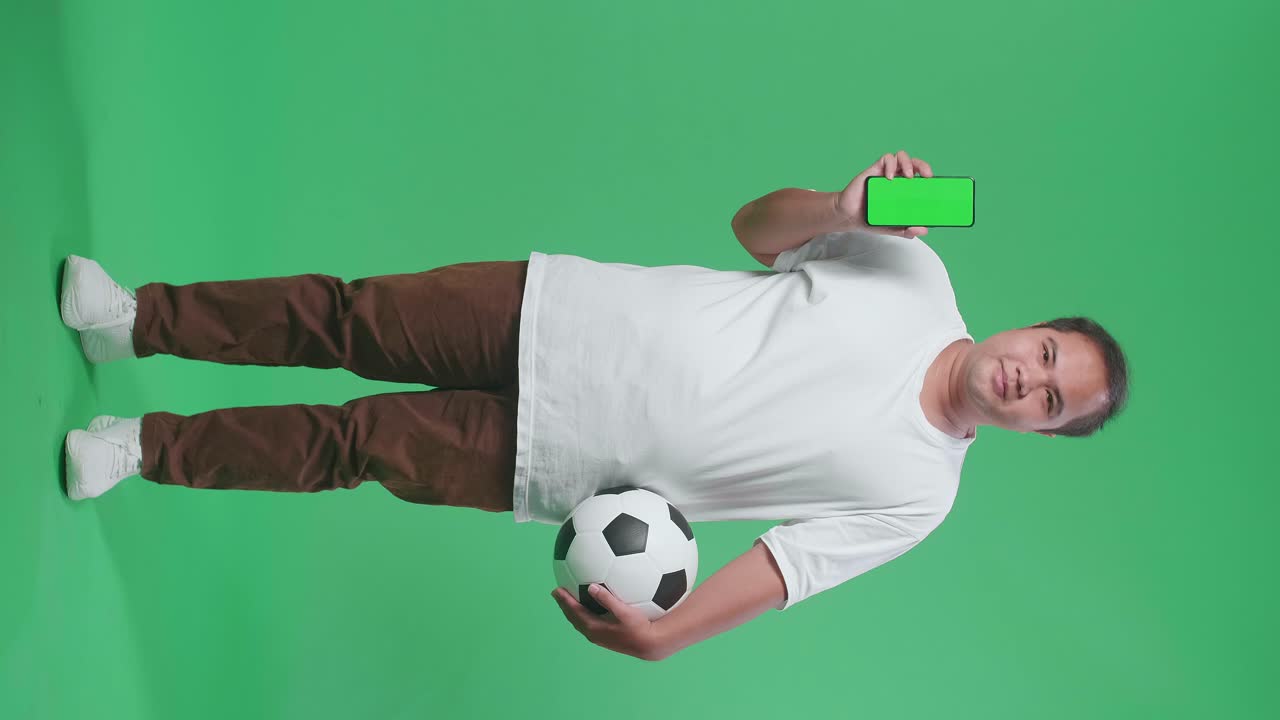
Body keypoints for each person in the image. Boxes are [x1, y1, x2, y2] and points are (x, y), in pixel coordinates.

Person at [60, 150, 1130, 662]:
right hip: (555, 308)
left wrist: (667, 636)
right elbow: (753, 228)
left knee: (350, 444)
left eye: (1047, 400)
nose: (1025, 378)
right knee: (346, 318)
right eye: (1043, 353)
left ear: (1037, 432)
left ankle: (142, 448)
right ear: (1028, 325)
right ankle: (133, 318)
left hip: (562, 463)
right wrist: (840, 207)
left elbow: (783, 568)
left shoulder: (918, 496)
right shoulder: (911, 270)